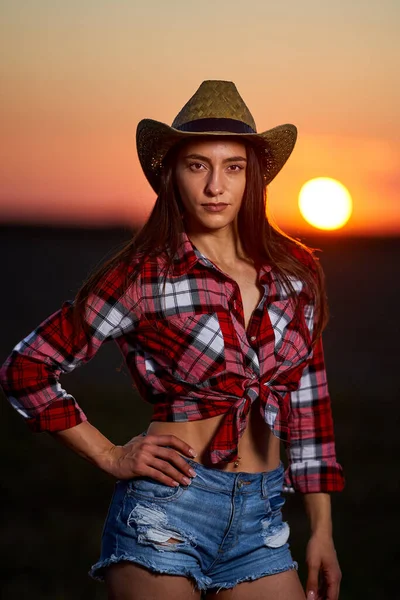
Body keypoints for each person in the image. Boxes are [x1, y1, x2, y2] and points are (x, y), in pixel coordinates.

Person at [0, 80, 344, 600]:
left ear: (255, 178)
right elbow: (26, 366)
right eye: (197, 165)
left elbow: (310, 404)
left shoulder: (296, 276)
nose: (215, 186)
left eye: (234, 167)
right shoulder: (144, 276)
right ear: (173, 175)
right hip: (165, 510)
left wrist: (322, 531)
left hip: (262, 519)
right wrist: (109, 455)